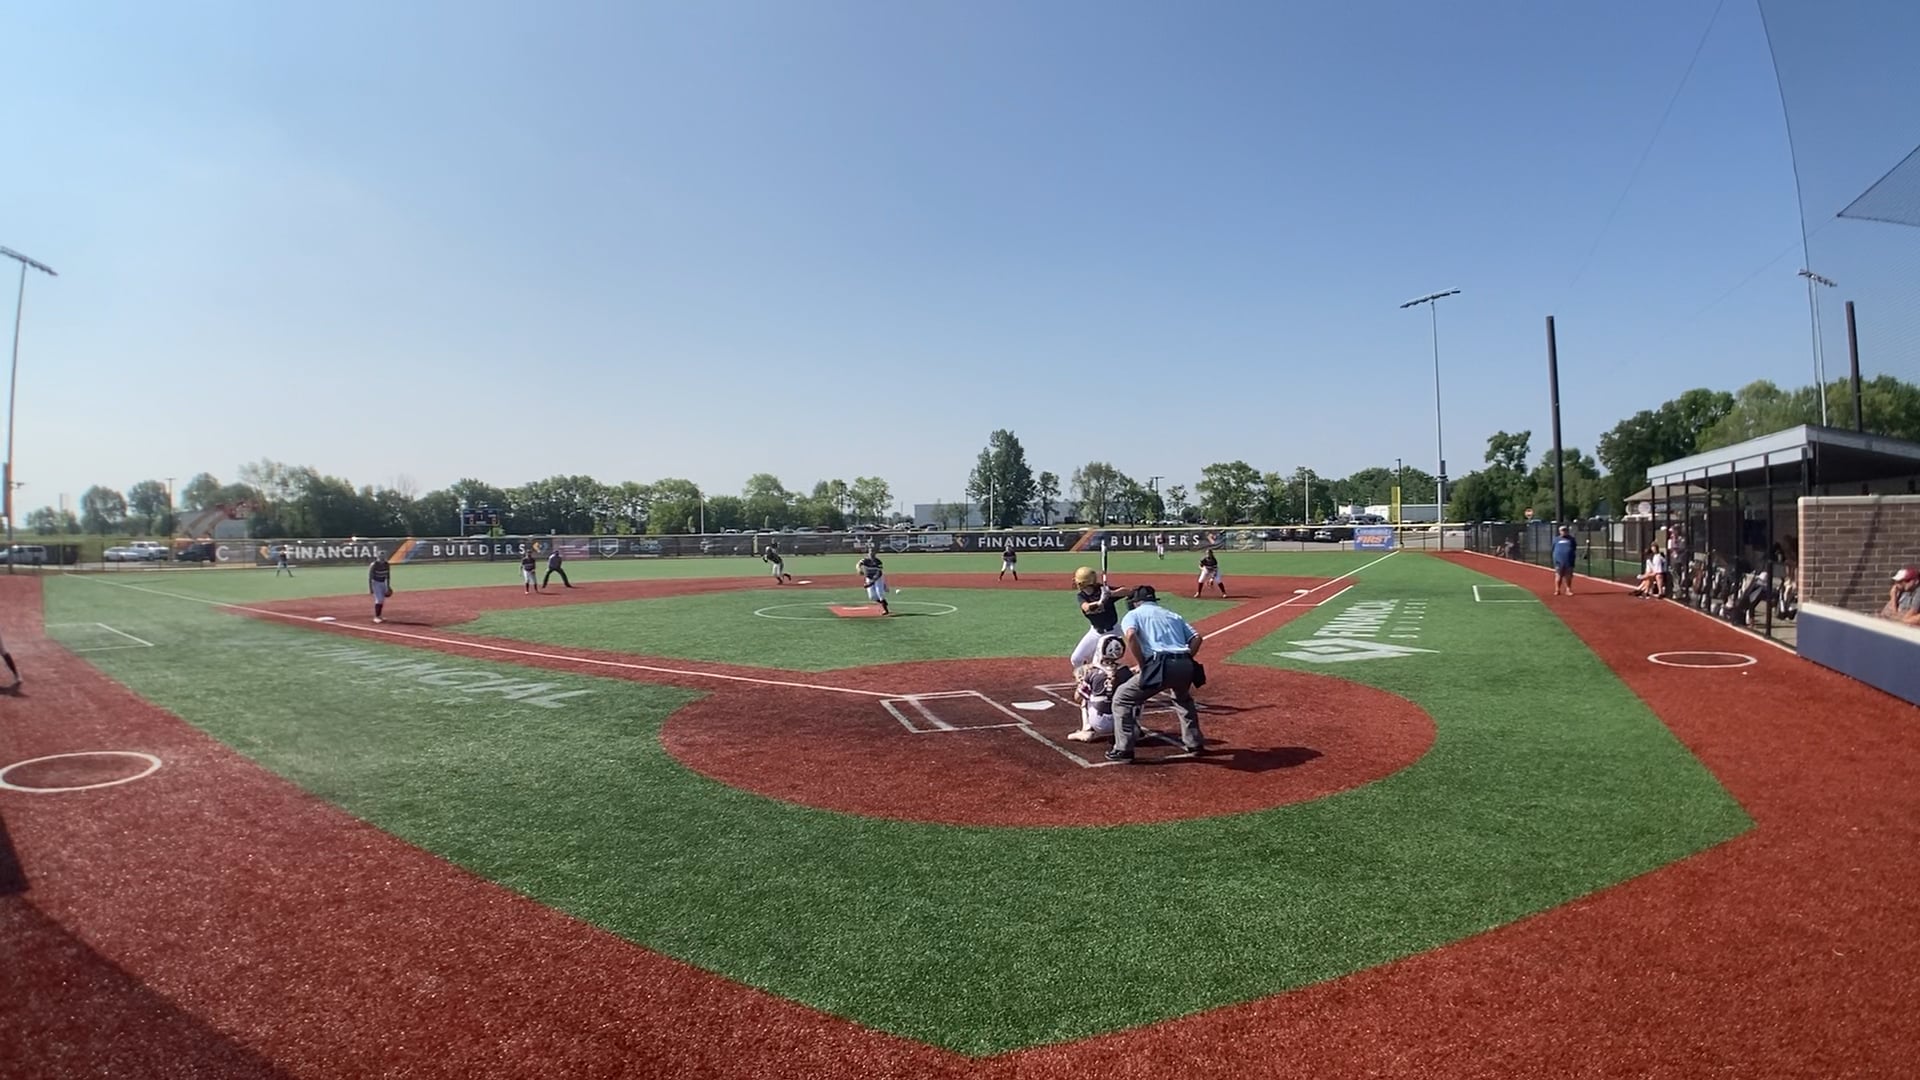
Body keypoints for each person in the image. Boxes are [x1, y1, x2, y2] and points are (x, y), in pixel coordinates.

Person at [1108, 585, 1205, 763]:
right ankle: (1195, 743)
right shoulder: (1173, 615)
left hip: (1160, 665)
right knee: (1183, 700)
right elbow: (1197, 638)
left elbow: (1131, 636)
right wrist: (1185, 659)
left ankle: (1123, 749)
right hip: (1185, 665)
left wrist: (1143, 664)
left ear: (1135, 602)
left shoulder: (1133, 615)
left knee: (1122, 698)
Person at [1067, 633, 1134, 742]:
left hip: (1099, 723)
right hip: (1122, 722)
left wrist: (1081, 682)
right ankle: (1135, 728)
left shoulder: (1093, 673)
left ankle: (1087, 730)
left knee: (1085, 698)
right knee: (1136, 697)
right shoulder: (1126, 672)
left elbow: (1077, 698)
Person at [1069, 565, 1126, 672]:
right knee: (1076, 659)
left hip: (1112, 632)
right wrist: (1100, 602)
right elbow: (1086, 607)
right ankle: (1085, 677)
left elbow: (1127, 591)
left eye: (1080, 582)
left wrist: (1111, 593)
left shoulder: (1102, 590)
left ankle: (1104, 678)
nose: (1077, 584)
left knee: (1099, 664)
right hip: (1095, 631)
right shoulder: (1081, 596)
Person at [857, 546, 889, 615]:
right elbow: (858, 564)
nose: (871, 553)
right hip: (869, 578)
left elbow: (878, 574)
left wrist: (870, 583)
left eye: (872, 551)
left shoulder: (878, 562)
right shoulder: (865, 560)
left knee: (880, 593)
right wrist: (859, 569)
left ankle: (886, 610)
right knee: (872, 597)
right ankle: (883, 602)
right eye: (870, 551)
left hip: (878, 578)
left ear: (875, 553)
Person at [368, 550, 394, 623]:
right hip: (375, 583)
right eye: (380, 555)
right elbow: (370, 577)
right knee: (379, 599)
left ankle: (379, 615)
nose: (382, 557)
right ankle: (376, 617)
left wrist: (388, 586)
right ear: (378, 556)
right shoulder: (374, 565)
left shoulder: (387, 564)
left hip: (383, 582)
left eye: (383, 555)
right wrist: (370, 588)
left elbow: (388, 576)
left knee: (382, 600)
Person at [1551, 526, 1576, 596]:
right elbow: (1553, 549)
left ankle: (1568, 590)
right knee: (1558, 576)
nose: (1564, 532)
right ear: (1560, 531)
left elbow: (1574, 548)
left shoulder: (1571, 539)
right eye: (1562, 530)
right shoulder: (1556, 539)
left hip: (1569, 561)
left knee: (1568, 576)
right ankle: (1557, 590)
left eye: (1565, 530)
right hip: (1559, 561)